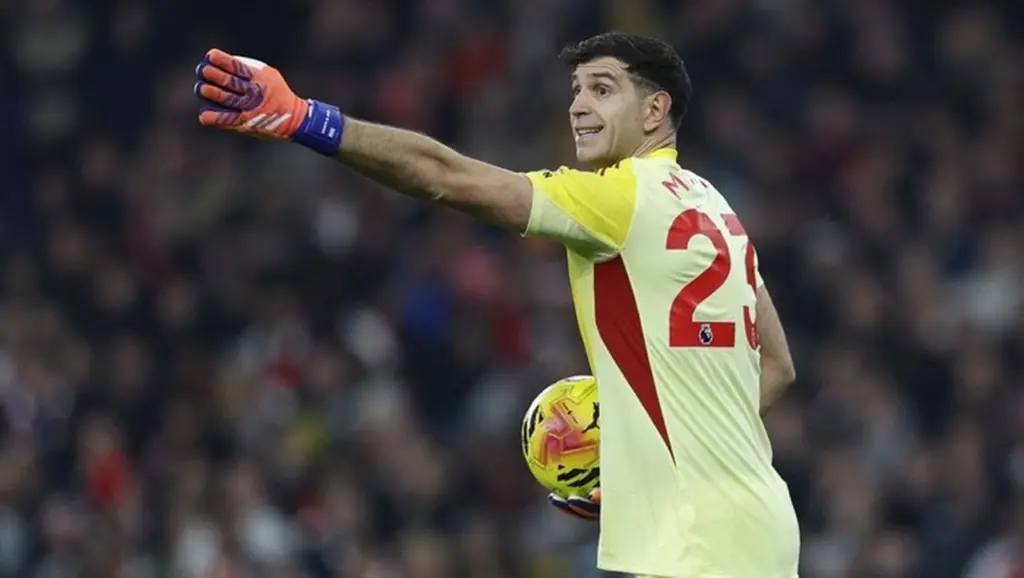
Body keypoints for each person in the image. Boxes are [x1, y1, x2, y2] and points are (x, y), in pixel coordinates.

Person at [193, 31, 799, 578]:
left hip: (697, 544)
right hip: (759, 524)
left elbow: (445, 177)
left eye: (602, 89)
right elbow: (776, 367)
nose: (578, 105)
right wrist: (654, 462)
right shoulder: (717, 209)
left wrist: (305, 119)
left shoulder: (622, 198)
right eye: (577, 90)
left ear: (655, 109)